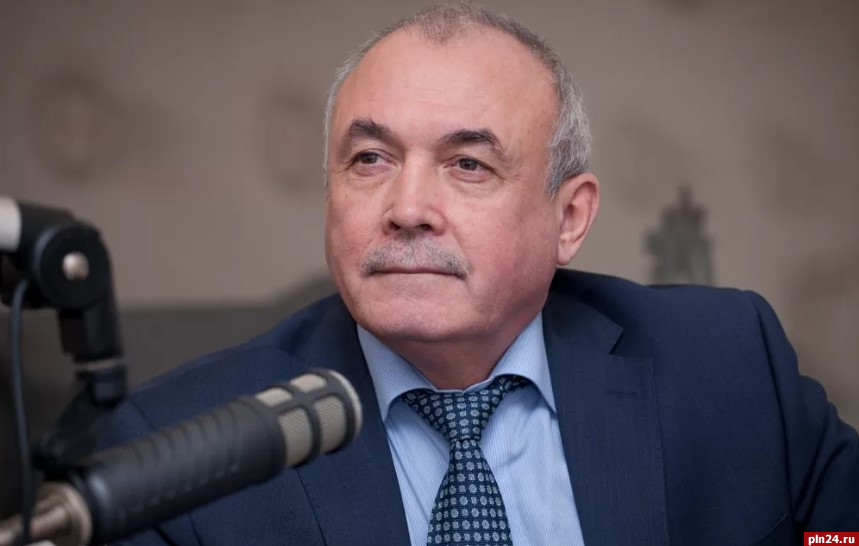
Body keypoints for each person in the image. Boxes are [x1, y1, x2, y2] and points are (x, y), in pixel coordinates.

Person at [99, 3, 859, 545]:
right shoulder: (182, 453)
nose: (407, 209)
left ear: (569, 219)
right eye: (370, 159)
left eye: (468, 164)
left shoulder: (727, 361)